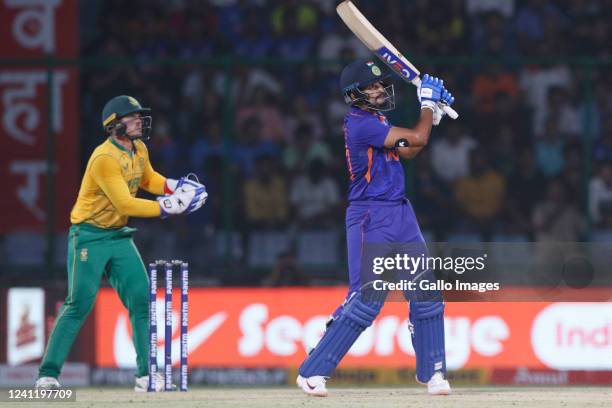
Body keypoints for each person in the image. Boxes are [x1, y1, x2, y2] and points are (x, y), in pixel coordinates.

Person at [296, 59, 455, 397]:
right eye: (372, 86)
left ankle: (434, 373)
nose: (380, 89)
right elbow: (418, 138)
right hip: (371, 216)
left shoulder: (379, 119)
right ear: (355, 95)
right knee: (368, 298)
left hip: (401, 212)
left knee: (425, 291)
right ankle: (313, 373)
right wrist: (427, 105)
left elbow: (410, 150)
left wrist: (433, 116)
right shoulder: (358, 123)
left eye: (381, 84)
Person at [34, 95, 208, 392]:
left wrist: (174, 186)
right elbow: (125, 203)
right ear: (115, 125)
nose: (140, 121)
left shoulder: (138, 147)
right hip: (88, 236)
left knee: (142, 300)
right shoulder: (104, 158)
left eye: (140, 116)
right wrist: (168, 207)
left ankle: (146, 375)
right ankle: (47, 376)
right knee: (79, 303)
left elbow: (148, 179)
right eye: (133, 117)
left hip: (117, 236)